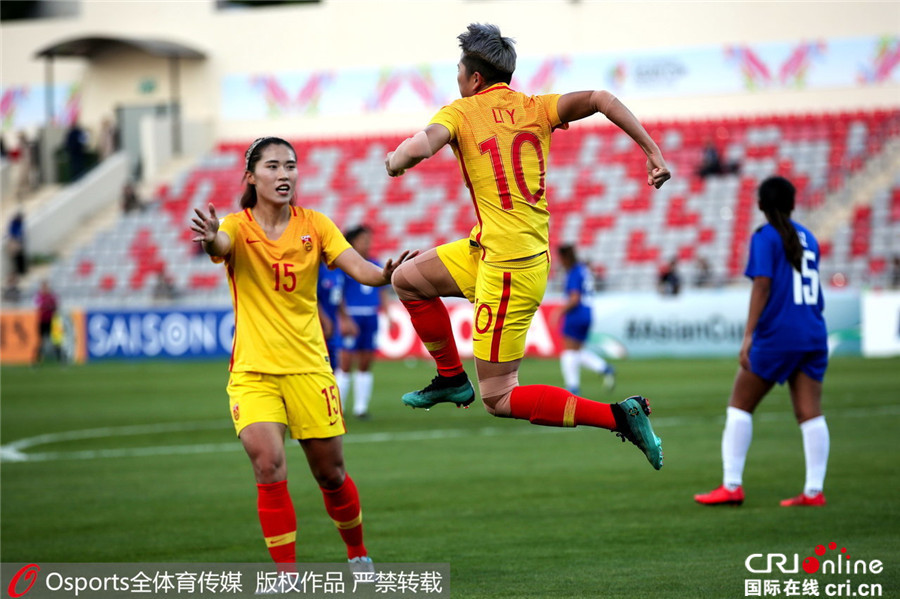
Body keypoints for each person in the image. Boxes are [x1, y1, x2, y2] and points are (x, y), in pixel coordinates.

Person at [384, 23, 669, 470]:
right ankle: (450, 378)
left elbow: (422, 145)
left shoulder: (459, 111)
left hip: (509, 265)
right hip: (490, 249)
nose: (457, 78)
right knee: (407, 279)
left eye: (460, 70)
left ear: (474, 78)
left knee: (499, 396)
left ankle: (618, 416)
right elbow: (600, 98)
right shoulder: (536, 107)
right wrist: (652, 150)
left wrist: (395, 161)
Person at [190, 136, 414, 568]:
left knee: (330, 474)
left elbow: (360, 269)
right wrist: (211, 237)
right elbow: (219, 246)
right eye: (273, 167)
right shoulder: (236, 227)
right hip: (253, 373)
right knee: (268, 465)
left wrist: (385, 274)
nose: (284, 174)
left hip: (310, 369)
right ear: (251, 177)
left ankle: (357, 553)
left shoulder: (316, 224)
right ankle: (287, 576)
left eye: (290, 166)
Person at [695, 176, 829, 507]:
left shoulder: (765, 236)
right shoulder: (809, 237)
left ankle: (731, 485)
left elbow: (762, 286)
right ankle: (814, 491)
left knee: (739, 406)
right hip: (813, 331)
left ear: (760, 205)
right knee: (810, 413)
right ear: (793, 204)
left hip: (779, 334)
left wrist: (748, 335)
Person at [336, 225, 384, 421]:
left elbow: (381, 291)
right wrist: (344, 318)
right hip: (352, 316)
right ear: (353, 242)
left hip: (370, 316)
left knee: (365, 363)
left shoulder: (375, 262)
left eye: (369, 240)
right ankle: (337, 408)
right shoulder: (345, 265)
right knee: (345, 363)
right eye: (363, 240)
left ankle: (361, 409)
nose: (367, 243)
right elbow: (338, 295)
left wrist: (387, 314)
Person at [557, 244, 615, 394]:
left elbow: (575, 298)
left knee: (569, 352)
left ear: (564, 257)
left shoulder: (573, 272)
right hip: (588, 313)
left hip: (576, 313)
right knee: (577, 351)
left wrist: (559, 312)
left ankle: (573, 388)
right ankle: (604, 368)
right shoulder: (583, 270)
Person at [317, 261, 350, 372]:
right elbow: (313, 298)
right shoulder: (317, 270)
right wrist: (325, 320)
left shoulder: (339, 270)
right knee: (320, 363)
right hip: (318, 324)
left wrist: (345, 318)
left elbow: (339, 296)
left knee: (334, 364)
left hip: (333, 323)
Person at [33, 280, 62, 364]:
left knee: (56, 340)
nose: (45, 288)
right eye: (44, 286)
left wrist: (48, 307)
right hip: (42, 321)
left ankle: (60, 359)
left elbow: (56, 306)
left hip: (52, 321)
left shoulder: (52, 296)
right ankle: (37, 360)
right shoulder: (39, 296)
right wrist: (48, 307)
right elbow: (38, 306)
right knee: (42, 341)